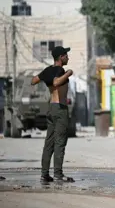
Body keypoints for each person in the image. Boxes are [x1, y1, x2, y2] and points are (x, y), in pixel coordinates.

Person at [30, 46, 75, 183]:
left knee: (49, 142)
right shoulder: (60, 70)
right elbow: (56, 82)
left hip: (51, 108)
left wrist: (44, 77)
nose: (68, 57)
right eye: (66, 55)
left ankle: (45, 174)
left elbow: (33, 80)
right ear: (61, 57)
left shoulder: (47, 70)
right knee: (60, 142)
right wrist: (69, 73)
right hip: (60, 108)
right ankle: (58, 174)